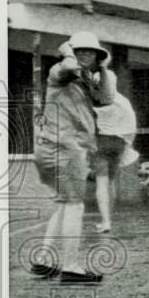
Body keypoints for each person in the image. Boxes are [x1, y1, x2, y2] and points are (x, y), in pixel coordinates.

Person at [32, 31, 116, 282]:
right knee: (74, 205)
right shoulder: (59, 71)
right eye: (81, 51)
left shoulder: (86, 81)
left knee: (63, 204)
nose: (85, 56)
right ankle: (71, 267)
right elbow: (68, 65)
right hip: (63, 148)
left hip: (59, 147)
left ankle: (43, 259)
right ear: (71, 53)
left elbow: (107, 98)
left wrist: (104, 69)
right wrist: (68, 52)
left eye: (91, 52)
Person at [92, 90, 139, 233]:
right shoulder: (121, 101)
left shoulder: (94, 103)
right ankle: (108, 219)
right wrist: (128, 143)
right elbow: (131, 121)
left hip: (101, 142)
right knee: (110, 182)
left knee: (101, 183)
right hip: (118, 143)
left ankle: (105, 222)